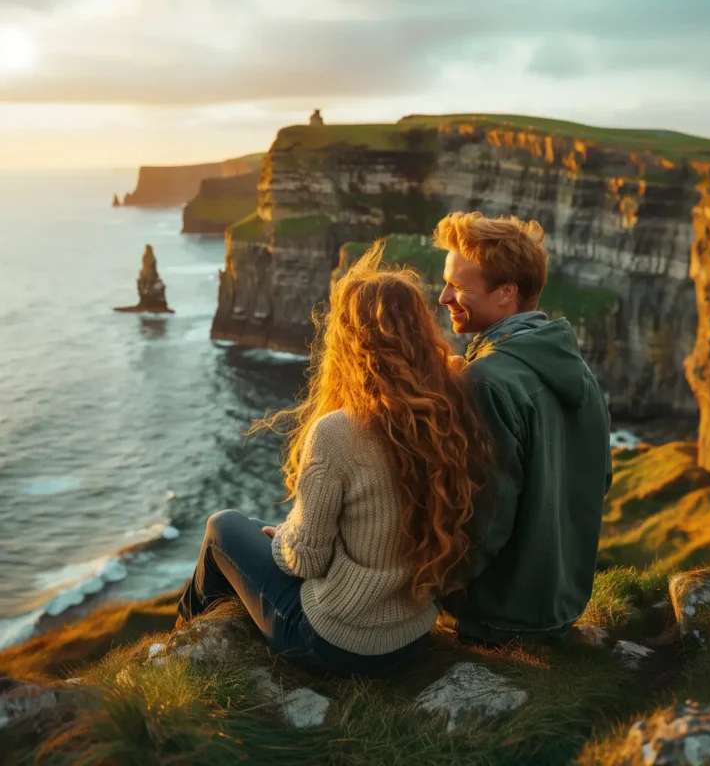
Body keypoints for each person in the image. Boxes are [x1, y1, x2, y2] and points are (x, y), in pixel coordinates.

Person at [177, 244, 492, 676]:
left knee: (223, 527)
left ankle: (180, 648)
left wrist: (285, 535)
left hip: (336, 642)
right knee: (253, 531)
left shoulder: (338, 431)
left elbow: (305, 561)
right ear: (421, 331)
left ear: (350, 341)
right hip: (413, 634)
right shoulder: (448, 409)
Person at [433, 211, 613, 645]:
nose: (442, 297)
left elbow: (484, 520)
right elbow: (599, 479)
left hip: (496, 616)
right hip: (559, 606)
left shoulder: (486, 382)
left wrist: (427, 584)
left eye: (457, 286)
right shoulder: (575, 369)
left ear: (506, 293)